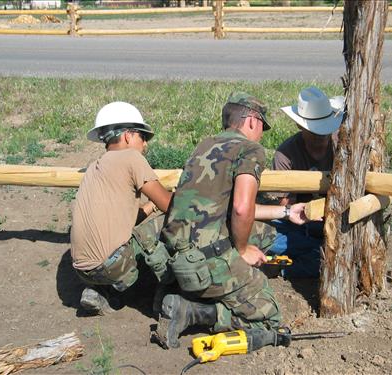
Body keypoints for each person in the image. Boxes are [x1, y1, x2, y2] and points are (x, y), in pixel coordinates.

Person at [155, 92, 309, 349]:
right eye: (262, 127)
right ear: (252, 121)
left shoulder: (204, 145)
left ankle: (173, 292)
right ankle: (193, 311)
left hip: (177, 256)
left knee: (268, 234)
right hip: (206, 262)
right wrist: (242, 250)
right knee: (269, 321)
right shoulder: (250, 149)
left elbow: (227, 208)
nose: (262, 134)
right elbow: (240, 208)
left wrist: (286, 212)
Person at [70, 101, 173, 315]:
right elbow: (171, 205)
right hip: (113, 266)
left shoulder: (94, 167)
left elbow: (122, 220)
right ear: (128, 136)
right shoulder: (131, 157)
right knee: (170, 221)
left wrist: (150, 206)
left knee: (133, 233)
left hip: (83, 272)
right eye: (142, 137)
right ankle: (168, 290)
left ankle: (99, 291)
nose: (145, 145)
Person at [269, 86, 345, 278]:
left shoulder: (343, 146)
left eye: (324, 131)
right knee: (271, 235)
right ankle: (310, 257)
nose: (320, 136)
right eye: (314, 132)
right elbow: (286, 204)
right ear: (300, 126)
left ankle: (293, 263)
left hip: (340, 217)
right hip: (302, 222)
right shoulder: (285, 154)